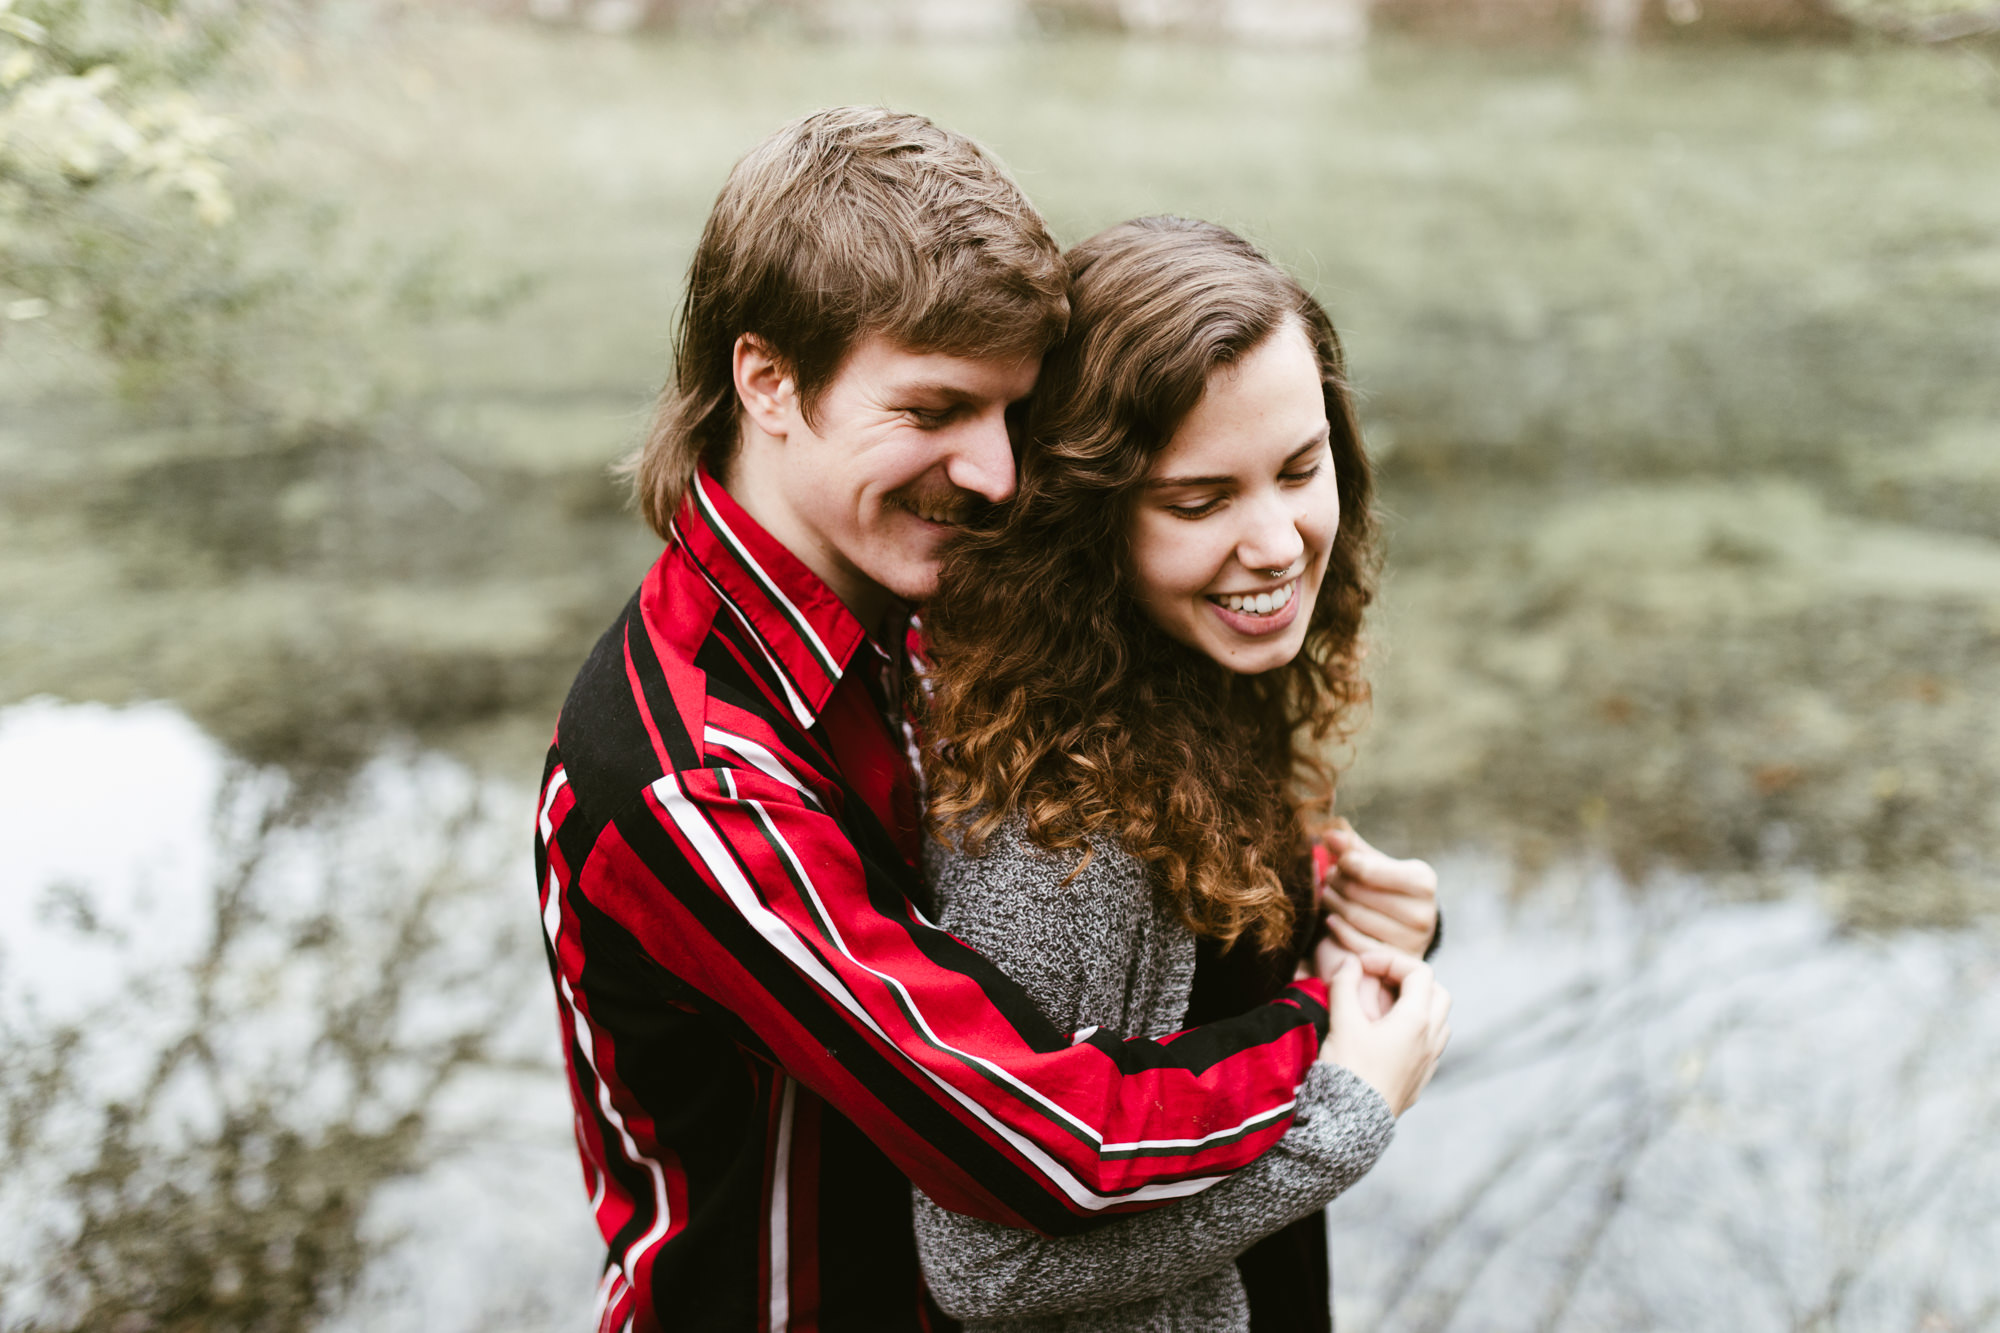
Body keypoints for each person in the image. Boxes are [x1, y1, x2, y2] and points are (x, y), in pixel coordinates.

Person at [533, 109, 1438, 1332]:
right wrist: (1327, 1049)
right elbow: (1026, 1130)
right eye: (932, 409)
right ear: (767, 380)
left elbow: (1118, 811)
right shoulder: (687, 778)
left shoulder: (923, 593)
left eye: (1009, 414)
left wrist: (1321, 897)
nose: (999, 474)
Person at [911, 216, 1452, 1331]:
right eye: (1199, 501)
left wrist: (1341, 940)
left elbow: (1206, 1023)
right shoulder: (1056, 841)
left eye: (1301, 471)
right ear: (1085, 521)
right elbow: (981, 1271)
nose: (1275, 542)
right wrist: (1342, 1119)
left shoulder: (1190, 673)